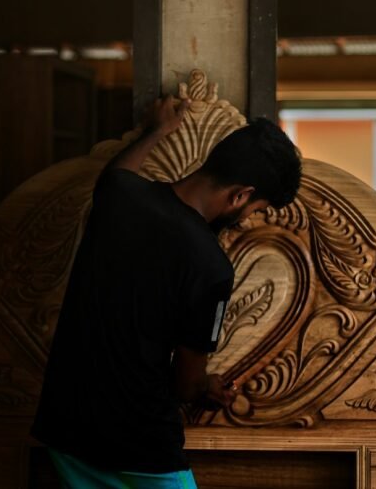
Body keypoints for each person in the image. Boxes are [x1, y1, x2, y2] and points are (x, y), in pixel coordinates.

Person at [31, 95, 302, 488]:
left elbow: (119, 169)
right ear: (240, 195)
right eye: (254, 209)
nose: (246, 220)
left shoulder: (118, 194)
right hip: (141, 445)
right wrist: (208, 386)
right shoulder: (211, 267)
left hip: (67, 430)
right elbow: (186, 385)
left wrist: (158, 130)